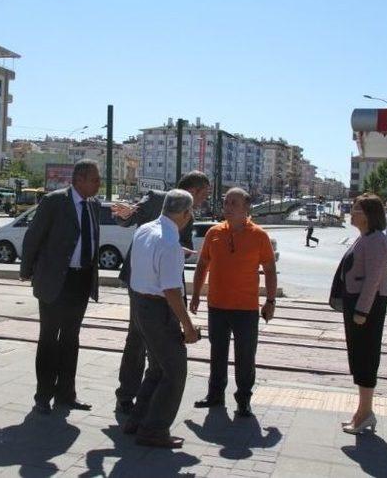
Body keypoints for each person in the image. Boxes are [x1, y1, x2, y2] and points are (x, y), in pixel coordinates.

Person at [111, 171, 210, 414]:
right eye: (204, 195)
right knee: (137, 340)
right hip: (143, 284)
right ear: (195, 190)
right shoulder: (158, 199)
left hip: (165, 280)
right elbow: (128, 220)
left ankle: (148, 397)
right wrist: (124, 215)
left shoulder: (187, 211)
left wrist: (180, 251)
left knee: (159, 345)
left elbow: (171, 244)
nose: (204, 201)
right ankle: (126, 396)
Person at [20, 160, 101, 415]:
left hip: (81, 280)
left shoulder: (93, 205)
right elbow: (34, 236)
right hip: (55, 280)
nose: (99, 183)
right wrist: (27, 271)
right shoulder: (55, 201)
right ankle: (43, 395)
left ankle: (67, 394)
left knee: (71, 338)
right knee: (49, 338)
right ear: (80, 179)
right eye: (95, 179)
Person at [190, 188, 277, 417]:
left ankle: (244, 400)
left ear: (246, 208)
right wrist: (197, 294)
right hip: (217, 305)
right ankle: (215, 395)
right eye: (226, 202)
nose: (227, 207)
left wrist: (270, 300)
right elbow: (202, 265)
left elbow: (269, 269)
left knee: (245, 357)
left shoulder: (259, 236)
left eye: (233, 203)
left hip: (246, 308)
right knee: (217, 353)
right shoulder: (214, 233)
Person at [123, 189, 200, 448]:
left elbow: (150, 258)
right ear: (186, 213)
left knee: (157, 368)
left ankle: (138, 419)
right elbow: (171, 291)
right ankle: (154, 430)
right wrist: (188, 326)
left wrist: (177, 253)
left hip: (140, 304)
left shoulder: (146, 229)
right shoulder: (169, 242)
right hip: (158, 310)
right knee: (175, 372)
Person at [329, 193, 387, 434]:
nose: (352, 213)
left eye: (356, 209)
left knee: (365, 357)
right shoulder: (365, 238)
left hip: (367, 306)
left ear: (368, 215)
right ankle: (362, 411)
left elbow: (374, 278)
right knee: (359, 356)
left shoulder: (376, 240)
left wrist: (362, 310)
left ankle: (365, 412)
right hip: (357, 303)